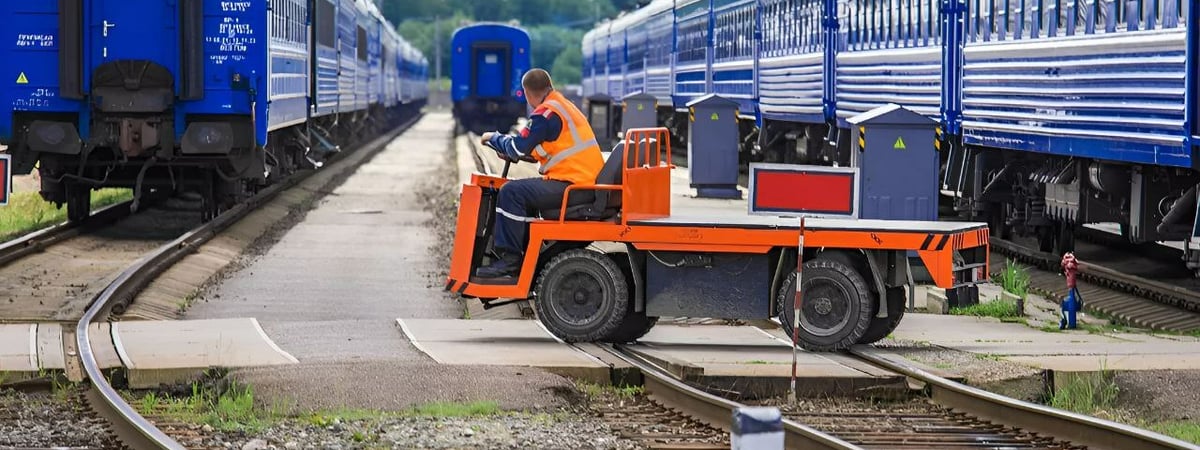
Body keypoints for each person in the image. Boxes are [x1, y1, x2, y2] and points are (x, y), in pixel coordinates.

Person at [476, 68, 604, 278]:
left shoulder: (545, 114)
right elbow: (542, 149)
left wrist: (493, 137)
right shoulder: (562, 106)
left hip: (573, 186)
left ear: (527, 93)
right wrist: (519, 153)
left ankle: (509, 262)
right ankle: (524, 256)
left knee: (511, 192)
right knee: (522, 193)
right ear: (549, 86)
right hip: (584, 183)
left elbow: (516, 147)